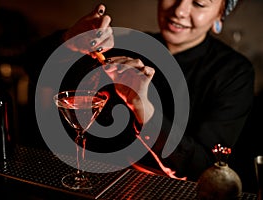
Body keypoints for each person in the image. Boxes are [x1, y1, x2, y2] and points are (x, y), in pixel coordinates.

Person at [23, 0, 254, 183]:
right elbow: (33, 65)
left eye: (200, 3)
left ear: (220, 14)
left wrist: (143, 106)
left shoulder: (233, 73)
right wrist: (70, 41)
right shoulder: (127, 44)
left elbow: (204, 170)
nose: (180, 10)